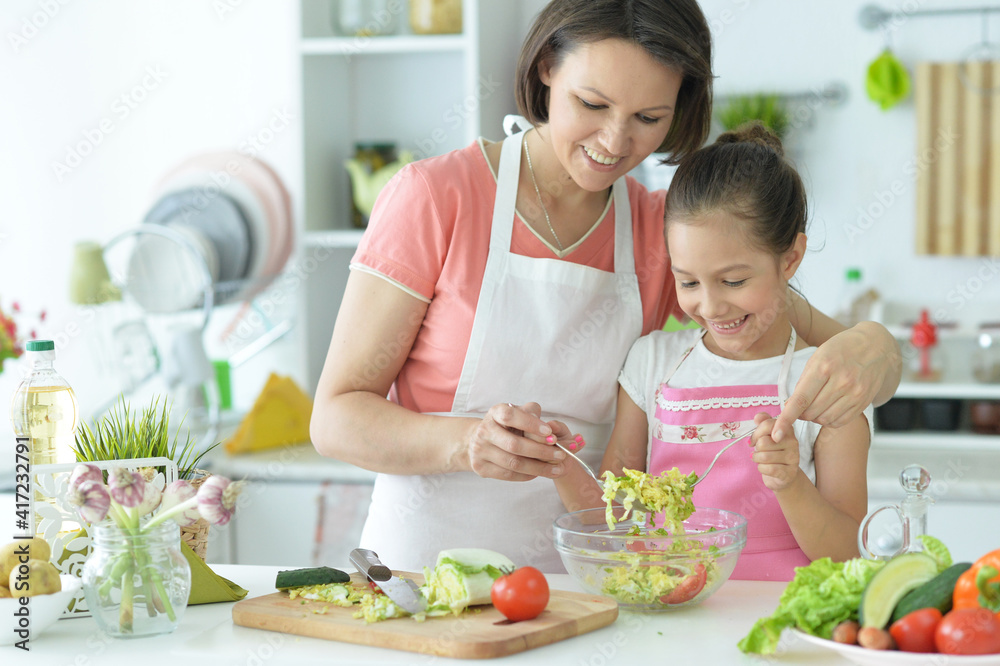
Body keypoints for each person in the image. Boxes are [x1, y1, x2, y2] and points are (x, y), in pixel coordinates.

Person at [310, 0, 900, 574]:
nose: (617, 142)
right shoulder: (436, 198)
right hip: (426, 575)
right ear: (546, 68)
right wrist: (466, 443)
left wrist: (877, 345)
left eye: (649, 118)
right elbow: (335, 418)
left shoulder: (657, 229)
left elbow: (839, 351)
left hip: (595, 584)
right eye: (591, 103)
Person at [555, 122, 871, 581]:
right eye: (688, 282)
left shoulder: (829, 382)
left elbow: (848, 554)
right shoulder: (653, 364)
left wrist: (789, 482)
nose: (710, 305)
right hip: (672, 622)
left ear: (790, 259)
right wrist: (562, 466)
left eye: (734, 281)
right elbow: (617, 522)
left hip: (783, 626)